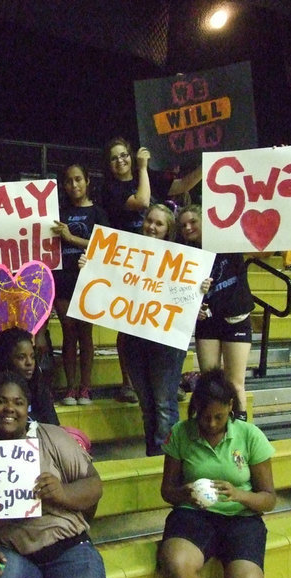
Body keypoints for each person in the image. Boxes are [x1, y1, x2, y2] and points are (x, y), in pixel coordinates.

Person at [0, 370, 106, 578]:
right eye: (0, 401)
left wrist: (62, 493)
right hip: (7, 555)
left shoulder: (51, 436)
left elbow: (95, 486)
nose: (10, 408)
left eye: (18, 402)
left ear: (27, 407)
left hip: (67, 548)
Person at [158, 368, 276, 578]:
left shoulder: (250, 435)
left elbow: (269, 499)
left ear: (231, 406)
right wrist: (184, 493)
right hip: (192, 516)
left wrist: (239, 495)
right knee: (177, 566)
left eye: (218, 417)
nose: (211, 423)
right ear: (196, 409)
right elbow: (167, 492)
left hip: (241, 521)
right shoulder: (181, 433)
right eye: (204, 416)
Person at [102, 138, 202, 403]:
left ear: (130, 155)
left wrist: (206, 166)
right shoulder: (111, 188)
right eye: (114, 158)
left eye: (124, 155)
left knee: (161, 322)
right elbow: (144, 200)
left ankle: (166, 383)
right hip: (129, 262)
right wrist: (143, 168)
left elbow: (181, 186)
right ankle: (129, 383)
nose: (120, 161)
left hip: (161, 262)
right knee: (127, 325)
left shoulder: (148, 175)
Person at [120, 204, 211, 455]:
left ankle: (168, 460)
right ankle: (154, 455)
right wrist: (89, 266)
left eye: (159, 223)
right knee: (147, 405)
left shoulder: (184, 260)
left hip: (166, 342)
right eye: (149, 220)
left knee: (163, 404)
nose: (152, 226)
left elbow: (186, 298)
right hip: (134, 338)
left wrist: (199, 290)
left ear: (168, 230)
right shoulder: (128, 253)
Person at [178, 204, 253, 420]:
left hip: (235, 319)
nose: (188, 227)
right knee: (209, 383)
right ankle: (210, 429)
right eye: (183, 225)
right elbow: (181, 293)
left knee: (235, 383)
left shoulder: (229, 241)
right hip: (208, 322)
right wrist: (194, 309)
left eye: (193, 222)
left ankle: (240, 431)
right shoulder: (185, 255)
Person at [51, 163, 110, 406]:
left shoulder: (99, 213)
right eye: (68, 181)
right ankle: (70, 388)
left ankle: (85, 388)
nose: (74, 185)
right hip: (63, 280)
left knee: (85, 334)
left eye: (78, 179)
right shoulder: (58, 213)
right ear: (64, 185)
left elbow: (106, 248)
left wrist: (71, 238)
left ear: (87, 181)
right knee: (68, 332)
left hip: (89, 281)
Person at [0, 327, 59, 425]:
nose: (29, 363)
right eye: (21, 357)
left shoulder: (40, 390)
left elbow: (54, 427)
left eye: (32, 357)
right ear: (6, 359)